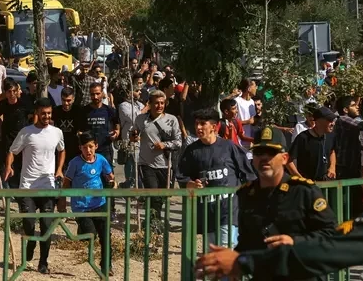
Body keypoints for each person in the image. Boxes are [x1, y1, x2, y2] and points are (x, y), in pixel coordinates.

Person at [195, 126, 338, 281]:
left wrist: (295, 242)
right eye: (258, 152)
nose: (264, 158)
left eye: (271, 152)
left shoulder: (304, 192)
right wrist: (232, 260)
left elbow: (332, 234)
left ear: (284, 158)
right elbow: (247, 242)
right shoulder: (247, 194)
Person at [3, 98, 65, 275]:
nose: (46, 116)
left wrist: (59, 169)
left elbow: (62, 149)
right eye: (43, 113)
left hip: (47, 186)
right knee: (29, 224)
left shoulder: (57, 132)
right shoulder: (26, 132)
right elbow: (12, 151)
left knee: (47, 225)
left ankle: (43, 262)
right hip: (28, 186)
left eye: (49, 113)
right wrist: (9, 166)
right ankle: (31, 242)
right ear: (37, 113)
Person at [177, 108, 254, 248]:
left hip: (228, 211)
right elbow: (182, 176)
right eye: (196, 124)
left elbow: (248, 175)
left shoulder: (229, 147)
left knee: (226, 250)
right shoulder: (191, 151)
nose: (198, 127)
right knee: (211, 255)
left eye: (202, 124)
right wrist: (191, 184)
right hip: (207, 213)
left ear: (214, 126)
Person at [57, 131, 115, 276]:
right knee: (91, 234)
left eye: (90, 146)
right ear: (80, 148)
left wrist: (113, 183)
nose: (88, 150)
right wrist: (62, 202)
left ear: (95, 146)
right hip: (82, 207)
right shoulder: (75, 163)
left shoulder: (101, 160)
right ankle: (82, 229)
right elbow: (66, 183)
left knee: (105, 236)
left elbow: (110, 176)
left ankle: (106, 266)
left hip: (99, 204)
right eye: (84, 147)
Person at [134, 90, 182, 227]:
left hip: (165, 164)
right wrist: (134, 136)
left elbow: (178, 142)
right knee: (152, 193)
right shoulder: (141, 119)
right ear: (150, 104)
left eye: (162, 103)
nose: (159, 106)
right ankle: (153, 222)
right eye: (156, 103)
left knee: (161, 196)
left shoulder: (172, 120)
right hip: (146, 163)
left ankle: (153, 220)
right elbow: (134, 133)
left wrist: (164, 145)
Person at [288, 107, 337, 181]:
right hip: (308, 187)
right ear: (318, 121)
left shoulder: (330, 136)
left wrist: (332, 167)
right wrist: (299, 178)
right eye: (329, 120)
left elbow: (332, 151)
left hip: (327, 185)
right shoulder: (303, 138)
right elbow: (288, 160)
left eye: (333, 120)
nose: (333, 123)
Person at [117, 74, 147, 188]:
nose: (140, 93)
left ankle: (137, 187)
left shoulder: (140, 104)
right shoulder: (123, 106)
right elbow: (135, 118)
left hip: (140, 141)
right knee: (131, 166)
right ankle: (126, 187)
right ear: (130, 92)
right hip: (129, 142)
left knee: (139, 168)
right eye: (137, 90)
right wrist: (146, 109)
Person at [83, 83, 119, 169]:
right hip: (89, 151)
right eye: (92, 94)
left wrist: (116, 133)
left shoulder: (109, 110)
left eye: (97, 94)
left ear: (102, 93)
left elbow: (117, 124)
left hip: (105, 149)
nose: (95, 97)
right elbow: (80, 129)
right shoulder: (84, 111)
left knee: (108, 177)